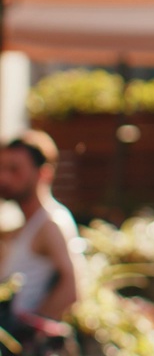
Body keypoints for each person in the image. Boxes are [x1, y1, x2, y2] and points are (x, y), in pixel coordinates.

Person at [0, 131, 81, 324]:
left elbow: (72, 288)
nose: (4, 178)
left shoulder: (52, 222)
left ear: (44, 173)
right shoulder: (23, 225)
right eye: (1, 168)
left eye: (15, 169)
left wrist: (30, 336)